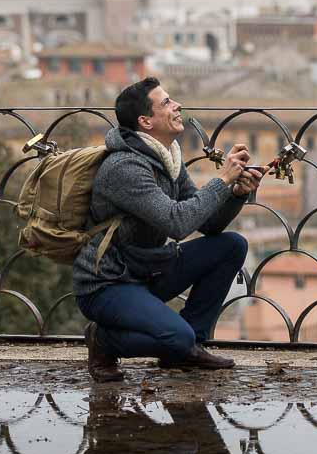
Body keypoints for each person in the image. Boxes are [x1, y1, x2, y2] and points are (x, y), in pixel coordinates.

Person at [74, 76, 262, 382]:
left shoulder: (168, 159)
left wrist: (236, 194)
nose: (176, 106)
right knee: (175, 339)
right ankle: (103, 340)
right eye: (166, 103)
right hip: (107, 284)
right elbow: (177, 223)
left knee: (231, 245)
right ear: (146, 121)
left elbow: (209, 224)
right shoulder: (125, 167)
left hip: (146, 268)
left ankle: (191, 346)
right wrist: (222, 181)